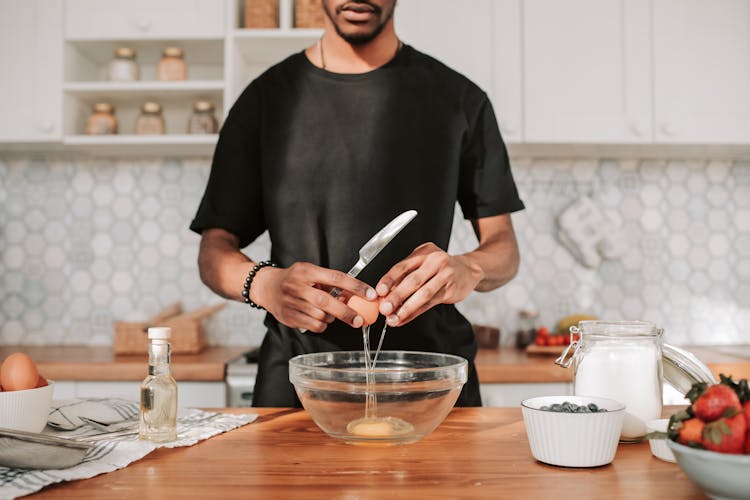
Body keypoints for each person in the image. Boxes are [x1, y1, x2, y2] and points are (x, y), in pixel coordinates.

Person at [190, 0, 525, 407]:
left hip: (429, 382)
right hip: (299, 384)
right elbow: (214, 251)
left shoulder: (460, 99)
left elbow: (503, 247)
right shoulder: (264, 102)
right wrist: (263, 284)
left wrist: (468, 268)